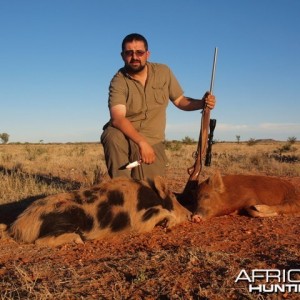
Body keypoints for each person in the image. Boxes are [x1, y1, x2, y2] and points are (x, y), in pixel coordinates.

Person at [101, 33, 216, 181]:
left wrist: (202, 103)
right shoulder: (118, 81)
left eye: (139, 52)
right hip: (126, 136)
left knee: (151, 191)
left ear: (147, 54)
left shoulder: (163, 71)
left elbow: (180, 100)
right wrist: (141, 143)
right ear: (122, 55)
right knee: (111, 135)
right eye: (129, 53)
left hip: (153, 140)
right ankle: (121, 188)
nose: (135, 57)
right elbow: (117, 118)